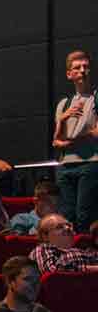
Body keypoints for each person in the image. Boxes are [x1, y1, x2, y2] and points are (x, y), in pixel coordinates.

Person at [54, 50, 98, 228]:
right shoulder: (64, 104)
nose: (82, 70)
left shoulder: (95, 98)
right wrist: (64, 118)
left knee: (84, 216)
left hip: (90, 163)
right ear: (69, 74)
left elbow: (96, 133)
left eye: (86, 67)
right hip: (65, 166)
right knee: (66, 216)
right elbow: (56, 141)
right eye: (77, 67)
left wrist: (71, 141)